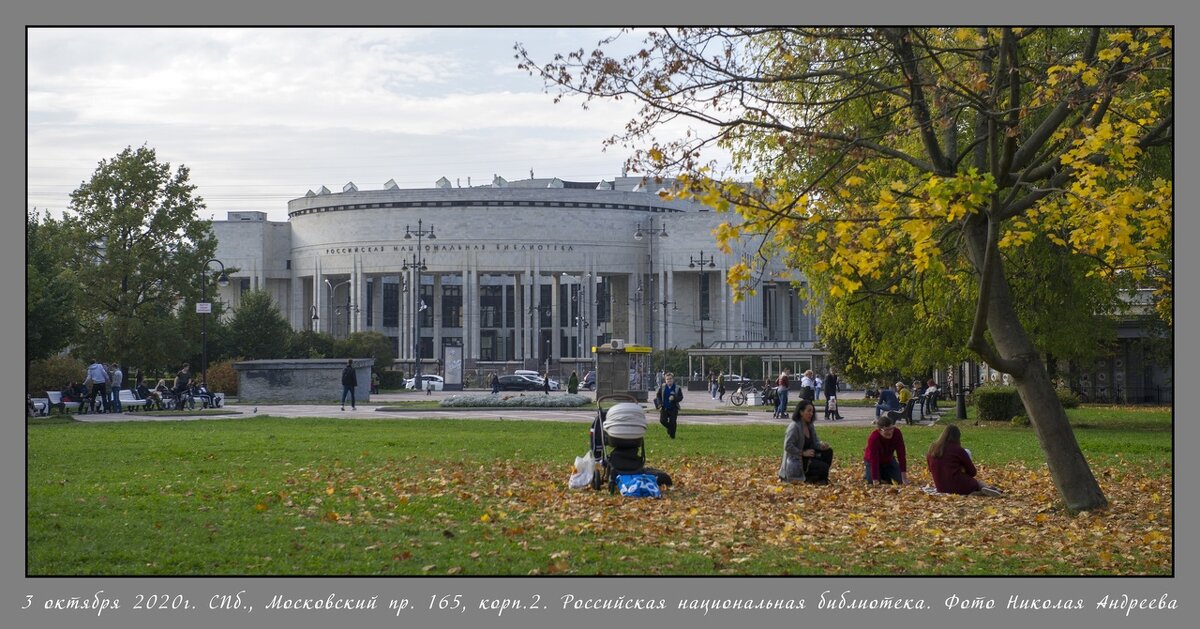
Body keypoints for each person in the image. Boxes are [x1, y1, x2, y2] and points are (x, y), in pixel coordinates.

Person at [926, 424, 1003, 496]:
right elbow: (972, 472)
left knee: (972, 486)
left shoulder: (932, 449)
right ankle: (987, 489)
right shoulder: (958, 450)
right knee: (977, 483)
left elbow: (930, 469)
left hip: (941, 486)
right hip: (958, 484)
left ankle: (983, 491)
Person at [790, 399, 833, 483]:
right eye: (808, 411)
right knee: (823, 467)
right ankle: (811, 476)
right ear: (801, 412)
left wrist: (821, 445)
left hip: (810, 455)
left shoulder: (810, 425)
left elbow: (815, 442)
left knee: (828, 452)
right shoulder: (794, 427)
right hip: (798, 458)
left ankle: (820, 478)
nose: (811, 414)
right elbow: (788, 446)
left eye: (812, 411)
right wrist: (802, 453)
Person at [864, 412, 907, 485]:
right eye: (886, 430)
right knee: (872, 482)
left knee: (899, 480)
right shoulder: (874, 438)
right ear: (879, 430)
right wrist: (875, 479)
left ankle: (884, 474)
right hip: (872, 461)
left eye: (891, 428)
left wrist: (904, 477)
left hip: (888, 460)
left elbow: (901, 454)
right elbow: (874, 459)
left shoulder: (897, 433)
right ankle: (871, 474)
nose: (890, 432)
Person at [655, 372, 683, 439]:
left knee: (673, 422)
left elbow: (681, 397)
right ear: (665, 380)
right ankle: (670, 428)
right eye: (667, 379)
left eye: (670, 379)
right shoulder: (663, 387)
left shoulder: (677, 388)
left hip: (673, 408)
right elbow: (658, 395)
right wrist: (659, 403)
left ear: (673, 379)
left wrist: (674, 398)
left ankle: (672, 436)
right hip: (664, 407)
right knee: (662, 420)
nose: (669, 380)